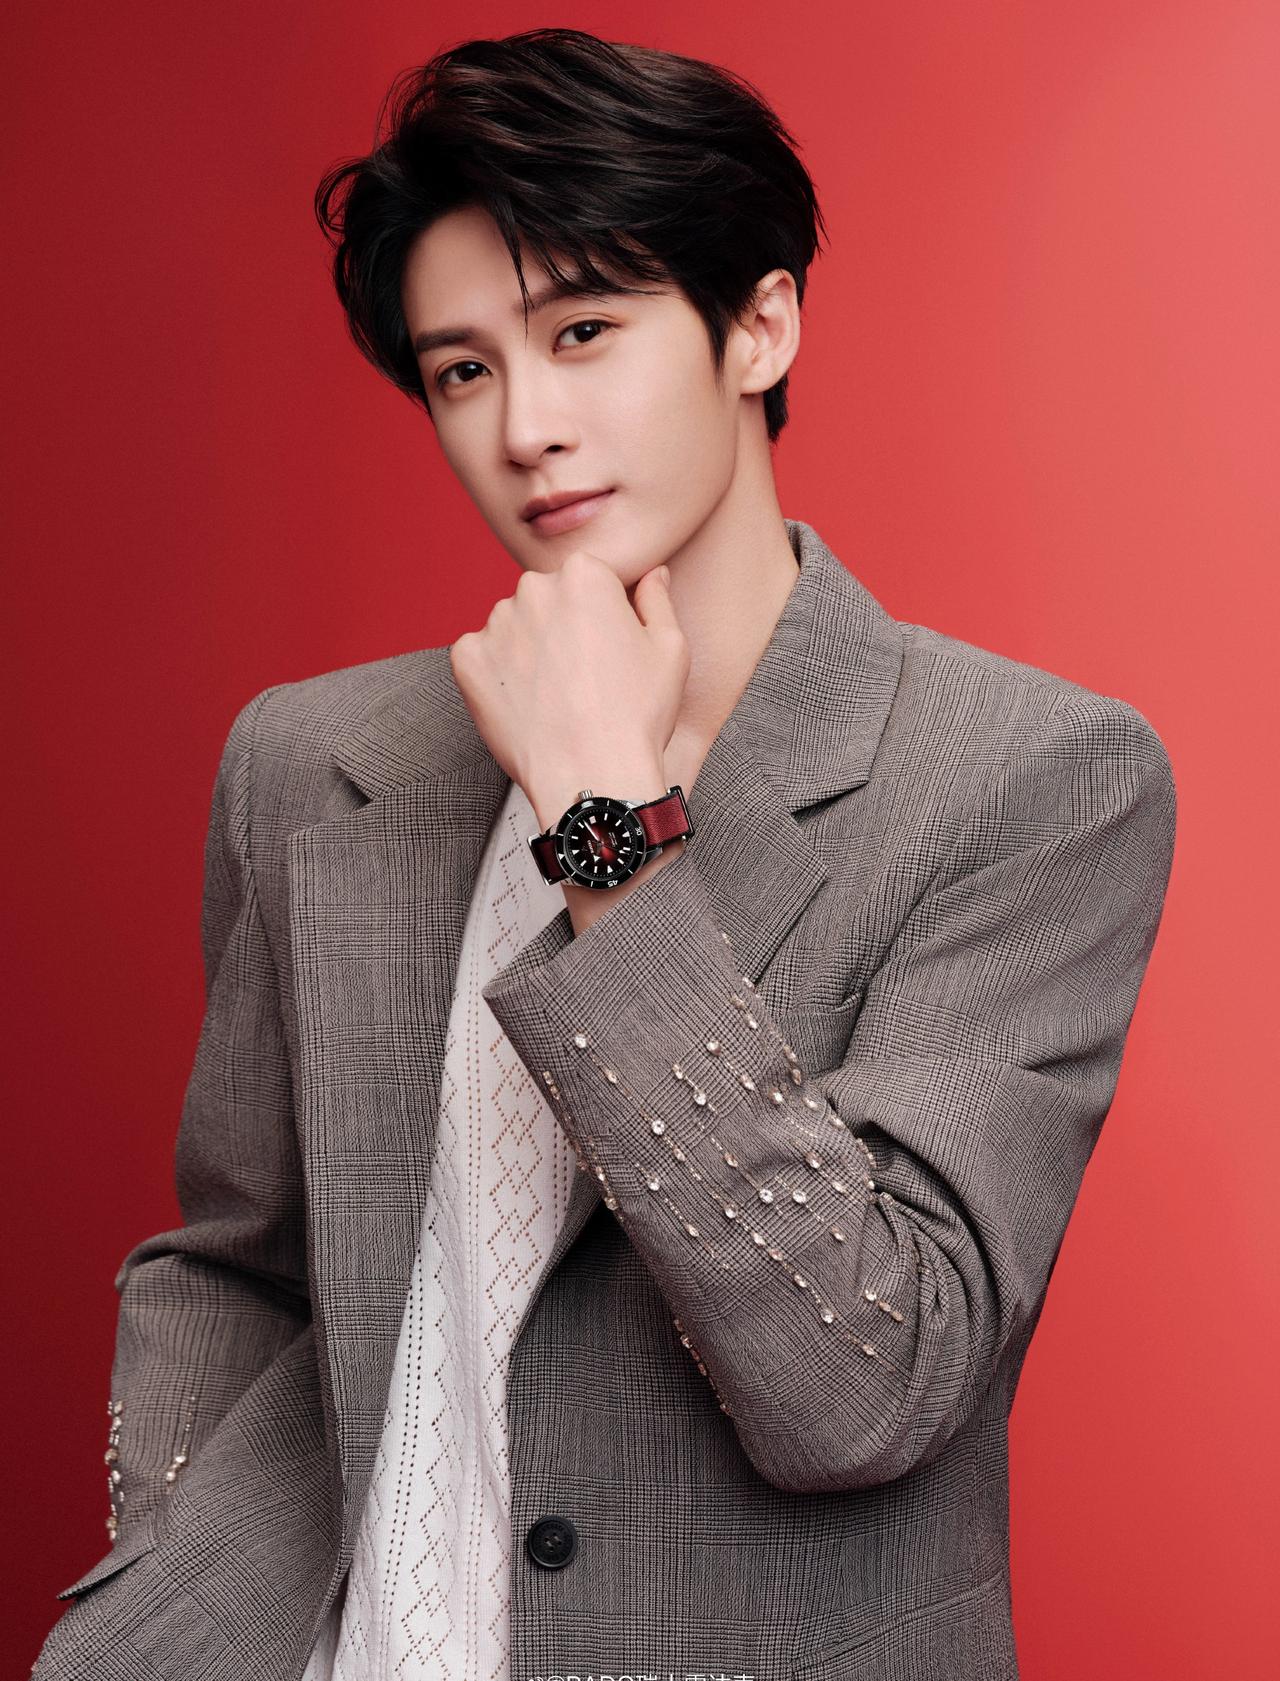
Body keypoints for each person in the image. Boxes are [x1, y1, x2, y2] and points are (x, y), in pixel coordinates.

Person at [33, 27, 1177, 1681]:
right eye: (463, 370)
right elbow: (237, 1265)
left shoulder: (1028, 777)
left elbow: (868, 1379)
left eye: (583, 331)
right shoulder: (313, 765)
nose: (526, 427)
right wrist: (171, 1592)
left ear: (759, 323)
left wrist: (602, 830)